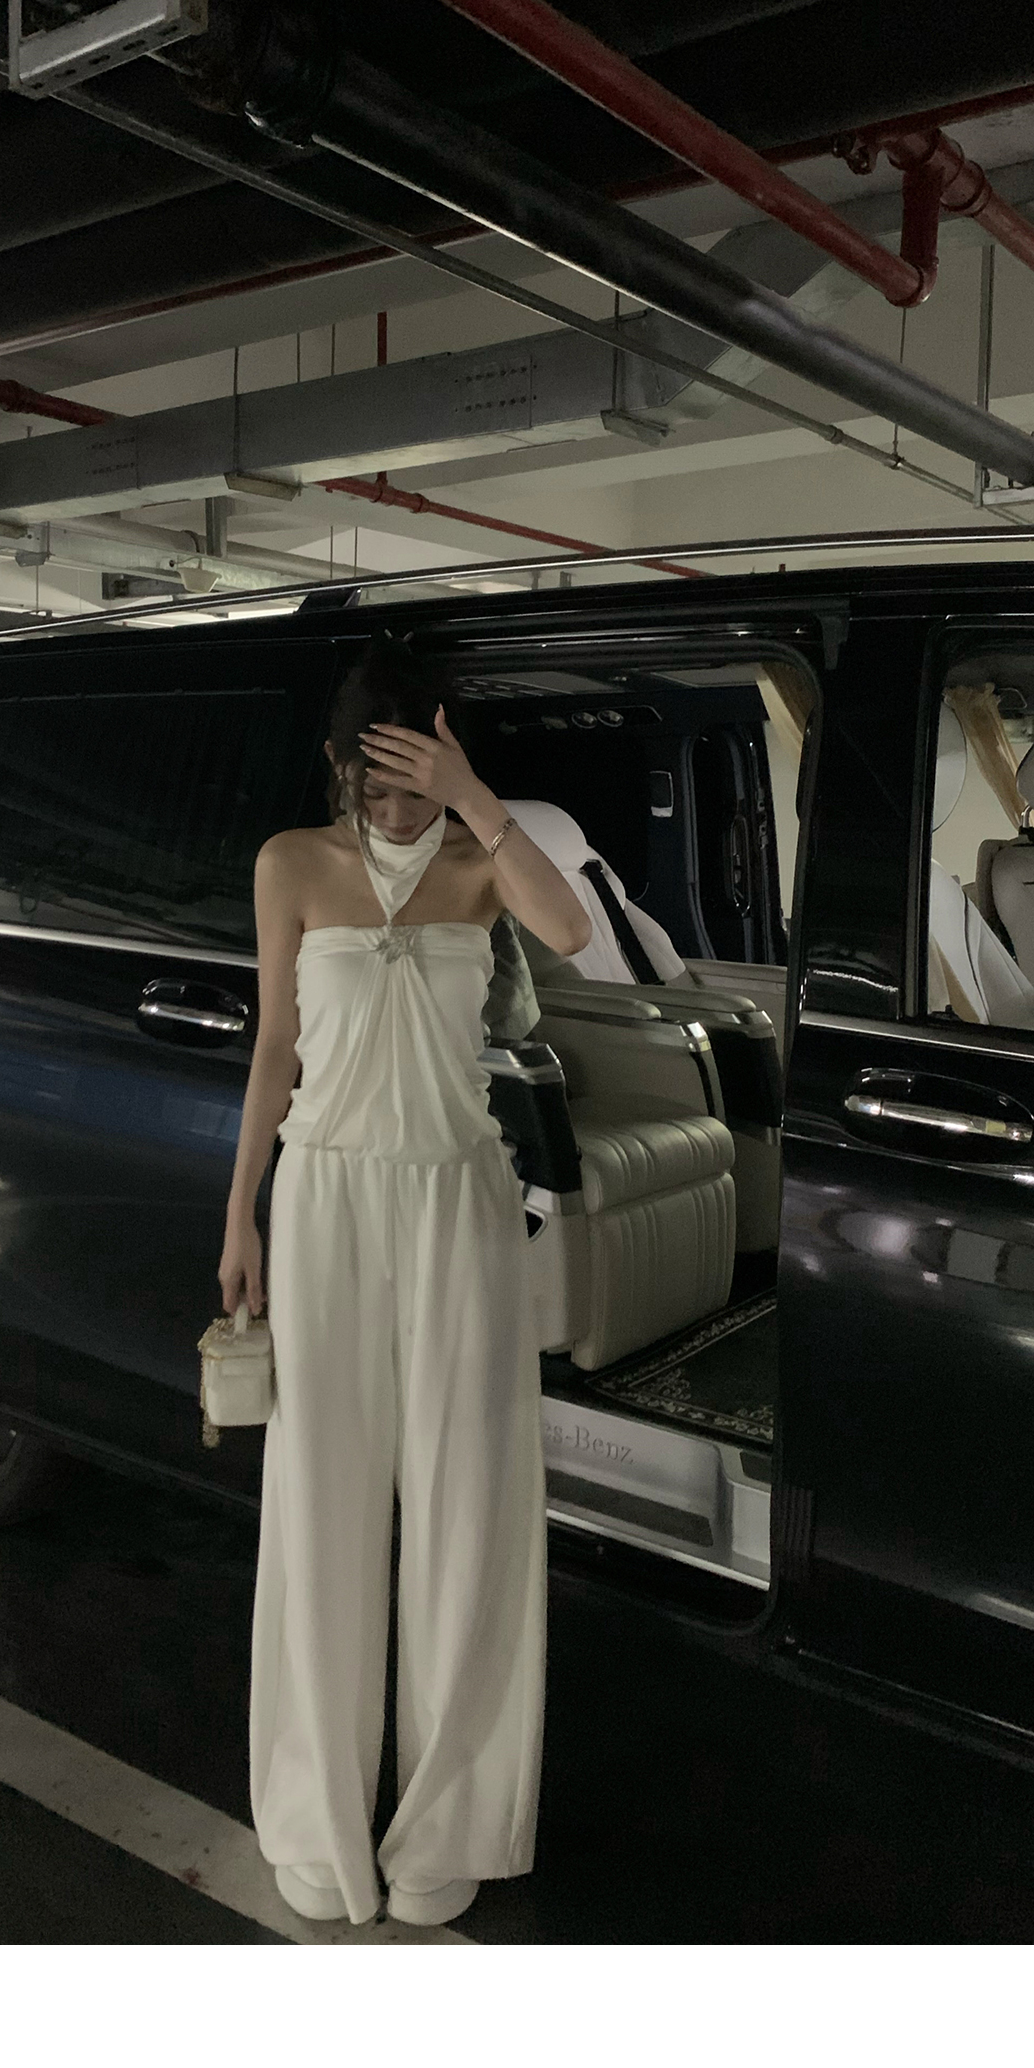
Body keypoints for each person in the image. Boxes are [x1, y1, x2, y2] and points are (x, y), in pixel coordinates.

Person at [218, 635, 592, 1928]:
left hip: (458, 1198)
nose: (393, 811)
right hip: (323, 1196)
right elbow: (276, 1045)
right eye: (372, 786)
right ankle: (317, 1813)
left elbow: (572, 930)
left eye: (413, 783)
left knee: (465, 1504)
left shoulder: (484, 864)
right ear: (338, 769)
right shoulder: (290, 863)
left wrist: (475, 798)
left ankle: (449, 1821)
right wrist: (241, 1210)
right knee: (319, 1498)